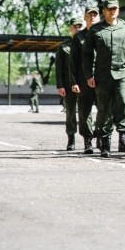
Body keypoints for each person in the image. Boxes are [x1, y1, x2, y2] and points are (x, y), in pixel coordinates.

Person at [83, 0, 125, 157]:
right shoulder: (95, 30)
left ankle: (124, 136)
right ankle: (105, 142)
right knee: (104, 107)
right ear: (104, 11)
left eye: (115, 9)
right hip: (103, 75)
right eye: (109, 9)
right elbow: (87, 55)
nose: (112, 11)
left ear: (118, 10)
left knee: (123, 102)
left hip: (123, 73)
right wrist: (89, 75)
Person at [70, 6, 101, 154]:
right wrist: (74, 82)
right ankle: (88, 141)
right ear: (85, 17)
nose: (92, 17)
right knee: (84, 111)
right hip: (84, 79)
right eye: (89, 15)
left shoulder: (104, 32)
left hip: (102, 78)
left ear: (99, 17)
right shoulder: (79, 37)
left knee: (104, 110)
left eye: (95, 15)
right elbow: (73, 61)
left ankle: (101, 136)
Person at [55, 17, 82, 150]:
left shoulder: (88, 43)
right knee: (70, 112)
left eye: (79, 26)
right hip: (68, 84)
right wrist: (60, 85)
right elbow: (59, 67)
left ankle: (90, 139)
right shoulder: (63, 47)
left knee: (86, 111)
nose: (77, 29)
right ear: (70, 28)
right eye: (75, 26)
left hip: (85, 83)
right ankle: (71, 139)